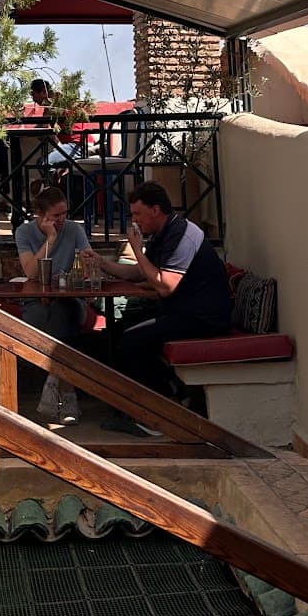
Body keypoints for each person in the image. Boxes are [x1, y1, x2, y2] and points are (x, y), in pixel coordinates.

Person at [84, 179, 231, 436]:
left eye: (138, 214)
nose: (134, 220)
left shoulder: (182, 235)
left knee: (133, 341)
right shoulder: (163, 234)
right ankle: (162, 397)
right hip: (181, 312)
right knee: (116, 332)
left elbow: (165, 286)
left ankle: (158, 415)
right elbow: (139, 273)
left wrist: (137, 250)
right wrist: (102, 263)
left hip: (203, 318)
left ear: (155, 210)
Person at [13, 184, 93, 424]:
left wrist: (87, 262)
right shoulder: (24, 232)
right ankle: (68, 396)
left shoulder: (74, 230)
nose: (62, 219)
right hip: (36, 302)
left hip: (70, 300)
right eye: (56, 215)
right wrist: (50, 238)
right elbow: (31, 272)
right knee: (51, 316)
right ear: (41, 214)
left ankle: (53, 383)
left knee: (62, 311)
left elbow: (87, 265)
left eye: (65, 213)